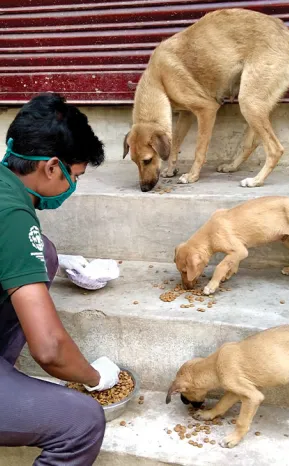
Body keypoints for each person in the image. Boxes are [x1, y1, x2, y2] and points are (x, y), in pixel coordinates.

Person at [0, 93, 120, 465]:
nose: (72, 185)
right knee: (81, 421)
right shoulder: (14, 216)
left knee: (46, 254)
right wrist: (94, 378)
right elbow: (49, 349)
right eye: (75, 175)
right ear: (52, 167)